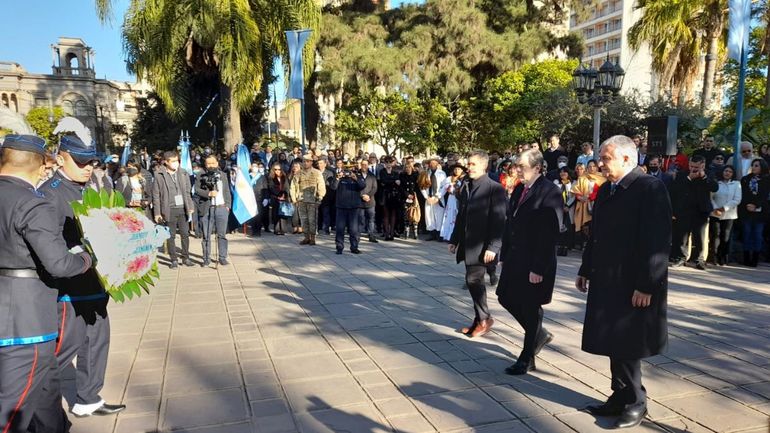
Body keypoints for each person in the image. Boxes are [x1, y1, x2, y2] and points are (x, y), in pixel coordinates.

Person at [576, 135, 672, 429]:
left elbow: (657, 241)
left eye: (606, 158)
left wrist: (647, 284)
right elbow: (597, 234)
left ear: (628, 159)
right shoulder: (607, 190)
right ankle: (618, 395)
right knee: (611, 339)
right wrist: (585, 268)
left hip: (634, 282)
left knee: (628, 343)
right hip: (608, 279)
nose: (600, 164)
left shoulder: (649, 188)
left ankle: (635, 401)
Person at [0, 134, 94, 433]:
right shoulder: (31, 203)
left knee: (46, 393)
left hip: (9, 307)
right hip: (26, 321)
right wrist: (88, 258)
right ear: (42, 166)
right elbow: (59, 263)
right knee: (13, 409)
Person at [38, 135, 127, 419]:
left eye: (91, 161)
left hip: (97, 283)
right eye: (80, 161)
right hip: (70, 287)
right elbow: (48, 244)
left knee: (97, 341)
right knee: (63, 350)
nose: (88, 167)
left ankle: (88, 398)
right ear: (61, 158)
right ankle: (33, 405)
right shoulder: (50, 193)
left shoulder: (91, 188)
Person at [497, 149, 562, 375]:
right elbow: (510, 224)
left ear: (537, 168)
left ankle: (526, 357)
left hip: (534, 261)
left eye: (522, 167)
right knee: (504, 296)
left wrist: (539, 267)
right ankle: (539, 334)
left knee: (530, 306)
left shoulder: (550, 192)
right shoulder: (519, 189)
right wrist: (503, 255)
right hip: (515, 257)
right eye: (516, 166)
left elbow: (550, 233)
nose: (517, 171)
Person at [449, 151, 506, 339]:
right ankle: (480, 318)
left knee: (473, 280)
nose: (468, 167)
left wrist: (493, 247)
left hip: (483, 245)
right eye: (468, 164)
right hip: (468, 242)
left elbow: (499, 221)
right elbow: (461, 216)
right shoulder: (467, 185)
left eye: (473, 164)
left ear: (484, 166)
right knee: (473, 281)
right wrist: (454, 240)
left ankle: (484, 320)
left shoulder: (494, 188)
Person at [668, 155, 718, 270]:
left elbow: (715, 187)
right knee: (682, 236)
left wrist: (704, 177)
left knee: (699, 236)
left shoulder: (709, 174)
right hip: (684, 210)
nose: (693, 169)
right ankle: (680, 257)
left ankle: (698, 259)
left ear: (703, 165)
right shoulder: (682, 174)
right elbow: (675, 190)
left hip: (701, 210)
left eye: (696, 167)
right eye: (691, 166)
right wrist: (689, 178)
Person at [151, 151, 195, 268]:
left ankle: (186, 257)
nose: (176, 163)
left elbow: (187, 191)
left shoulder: (183, 173)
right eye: (173, 161)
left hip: (182, 208)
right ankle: (173, 259)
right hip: (169, 209)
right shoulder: (159, 175)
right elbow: (156, 195)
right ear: (166, 162)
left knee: (185, 234)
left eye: (177, 160)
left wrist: (190, 206)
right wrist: (157, 213)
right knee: (171, 235)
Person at [194, 155, 232, 266]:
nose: (211, 165)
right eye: (208, 163)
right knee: (206, 235)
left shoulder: (223, 175)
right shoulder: (200, 175)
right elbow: (196, 189)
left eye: (213, 163)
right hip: (207, 208)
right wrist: (208, 194)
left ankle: (222, 257)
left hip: (221, 207)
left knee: (222, 234)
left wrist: (227, 205)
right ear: (205, 164)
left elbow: (227, 191)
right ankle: (206, 258)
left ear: (217, 163)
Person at [739, 158, 770, 267]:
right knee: (746, 234)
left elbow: (764, 195)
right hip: (746, 211)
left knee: (757, 235)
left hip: (760, 212)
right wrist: (748, 205)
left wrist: (756, 205)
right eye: (753, 165)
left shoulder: (767, 179)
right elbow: (743, 193)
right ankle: (746, 257)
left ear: (762, 166)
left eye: (756, 165)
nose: (754, 167)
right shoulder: (745, 179)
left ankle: (755, 258)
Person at [708, 165, 741, 266]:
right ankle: (713, 257)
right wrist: (716, 208)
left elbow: (737, 199)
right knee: (715, 235)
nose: (727, 173)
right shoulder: (716, 183)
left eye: (730, 172)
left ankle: (722, 258)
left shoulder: (736, 184)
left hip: (729, 215)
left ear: (733, 174)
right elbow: (711, 197)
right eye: (726, 171)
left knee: (725, 237)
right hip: (715, 213)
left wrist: (724, 208)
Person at [291, 153, 326, 246]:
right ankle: (306, 237)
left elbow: (321, 186)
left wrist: (320, 197)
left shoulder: (317, 173)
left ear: (311, 162)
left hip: (312, 200)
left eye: (307, 161)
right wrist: (294, 199)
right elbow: (293, 186)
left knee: (312, 220)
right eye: (304, 161)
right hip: (301, 200)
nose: (305, 163)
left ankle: (313, 238)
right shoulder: (298, 173)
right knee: (303, 220)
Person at [334, 165, 366, 254]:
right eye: (346, 170)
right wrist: (337, 178)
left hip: (353, 208)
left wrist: (356, 178)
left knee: (354, 229)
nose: (348, 172)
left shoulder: (357, 176)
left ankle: (354, 247)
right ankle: (339, 247)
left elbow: (363, 186)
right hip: (341, 207)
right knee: (340, 229)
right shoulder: (339, 177)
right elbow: (333, 187)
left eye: (350, 170)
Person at [439, 163, 466, 242]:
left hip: (458, 199)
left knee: (456, 216)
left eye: (459, 169)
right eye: (455, 169)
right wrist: (437, 197)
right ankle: (448, 235)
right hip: (451, 199)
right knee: (449, 216)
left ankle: (456, 236)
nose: (457, 171)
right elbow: (443, 189)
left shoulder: (464, 179)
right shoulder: (449, 179)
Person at [422, 157, 447, 241]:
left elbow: (444, 186)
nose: (432, 164)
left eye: (434, 163)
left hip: (438, 197)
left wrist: (438, 196)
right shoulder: (425, 174)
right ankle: (431, 233)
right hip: (429, 197)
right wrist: (427, 197)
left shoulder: (442, 173)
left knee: (439, 215)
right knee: (429, 216)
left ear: (437, 164)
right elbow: (422, 186)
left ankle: (439, 234)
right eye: (431, 163)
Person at [379, 156, 401, 241]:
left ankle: (392, 233)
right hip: (385, 194)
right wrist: (393, 181)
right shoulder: (382, 172)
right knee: (386, 214)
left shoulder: (395, 172)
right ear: (384, 163)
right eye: (386, 162)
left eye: (390, 162)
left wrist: (391, 182)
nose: (388, 164)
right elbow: (383, 181)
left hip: (394, 195)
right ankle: (386, 233)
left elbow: (398, 183)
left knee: (393, 214)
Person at [554, 167, 576, 255]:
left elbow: (574, 196)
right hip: (559, 208)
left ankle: (566, 247)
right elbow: (554, 195)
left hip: (569, 208)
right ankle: (559, 246)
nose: (562, 174)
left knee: (568, 227)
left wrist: (567, 205)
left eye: (565, 172)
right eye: (561, 172)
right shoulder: (556, 183)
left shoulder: (573, 183)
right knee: (560, 226)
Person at [268, 163, 291, 236]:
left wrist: (285, 194)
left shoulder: (284, 177)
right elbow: (271, 187)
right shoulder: (271, 178)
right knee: (276, 214)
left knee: (283, 214)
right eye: (276, 169)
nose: (278, 171)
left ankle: (283, 230)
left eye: (279, 169)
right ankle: (277, 229)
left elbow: (287, 187)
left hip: (284, 198)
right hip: (275, 198)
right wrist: (278, 195)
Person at [358, 159, 379, 243]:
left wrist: (368, 195)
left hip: (370, 201)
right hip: (360, 201)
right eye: (363, 164)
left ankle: (371, 235)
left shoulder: (372, 176)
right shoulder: (357, 175)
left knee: (371, 219)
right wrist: (362, 195)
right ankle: (358, 235)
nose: (364, 166)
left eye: (366, 165)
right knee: (360, 220)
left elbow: (375, 188)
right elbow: (356, 187)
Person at [399, 163, 420, 239]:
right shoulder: (402, 176)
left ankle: (415, 231)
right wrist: (407, 195)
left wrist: (414, 195)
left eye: (409, 167)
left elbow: (417, 187)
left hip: (414, 198)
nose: (408, 169)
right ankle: (406, 231)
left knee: (414, 214)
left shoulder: (415, 176)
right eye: (406, 167)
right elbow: (401, 187)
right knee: (406, 214)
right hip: (405, 197)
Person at [317, 157, 336, 235]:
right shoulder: (316, 172)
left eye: (321, 163)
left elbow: (329, 185)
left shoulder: (329, 173)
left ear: (325, 164)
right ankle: (318, 228)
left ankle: (326, 229)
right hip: (316, 196)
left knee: (326, 213)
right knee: (318, 213)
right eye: (318, 163)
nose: (319, 165)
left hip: (326, 196)